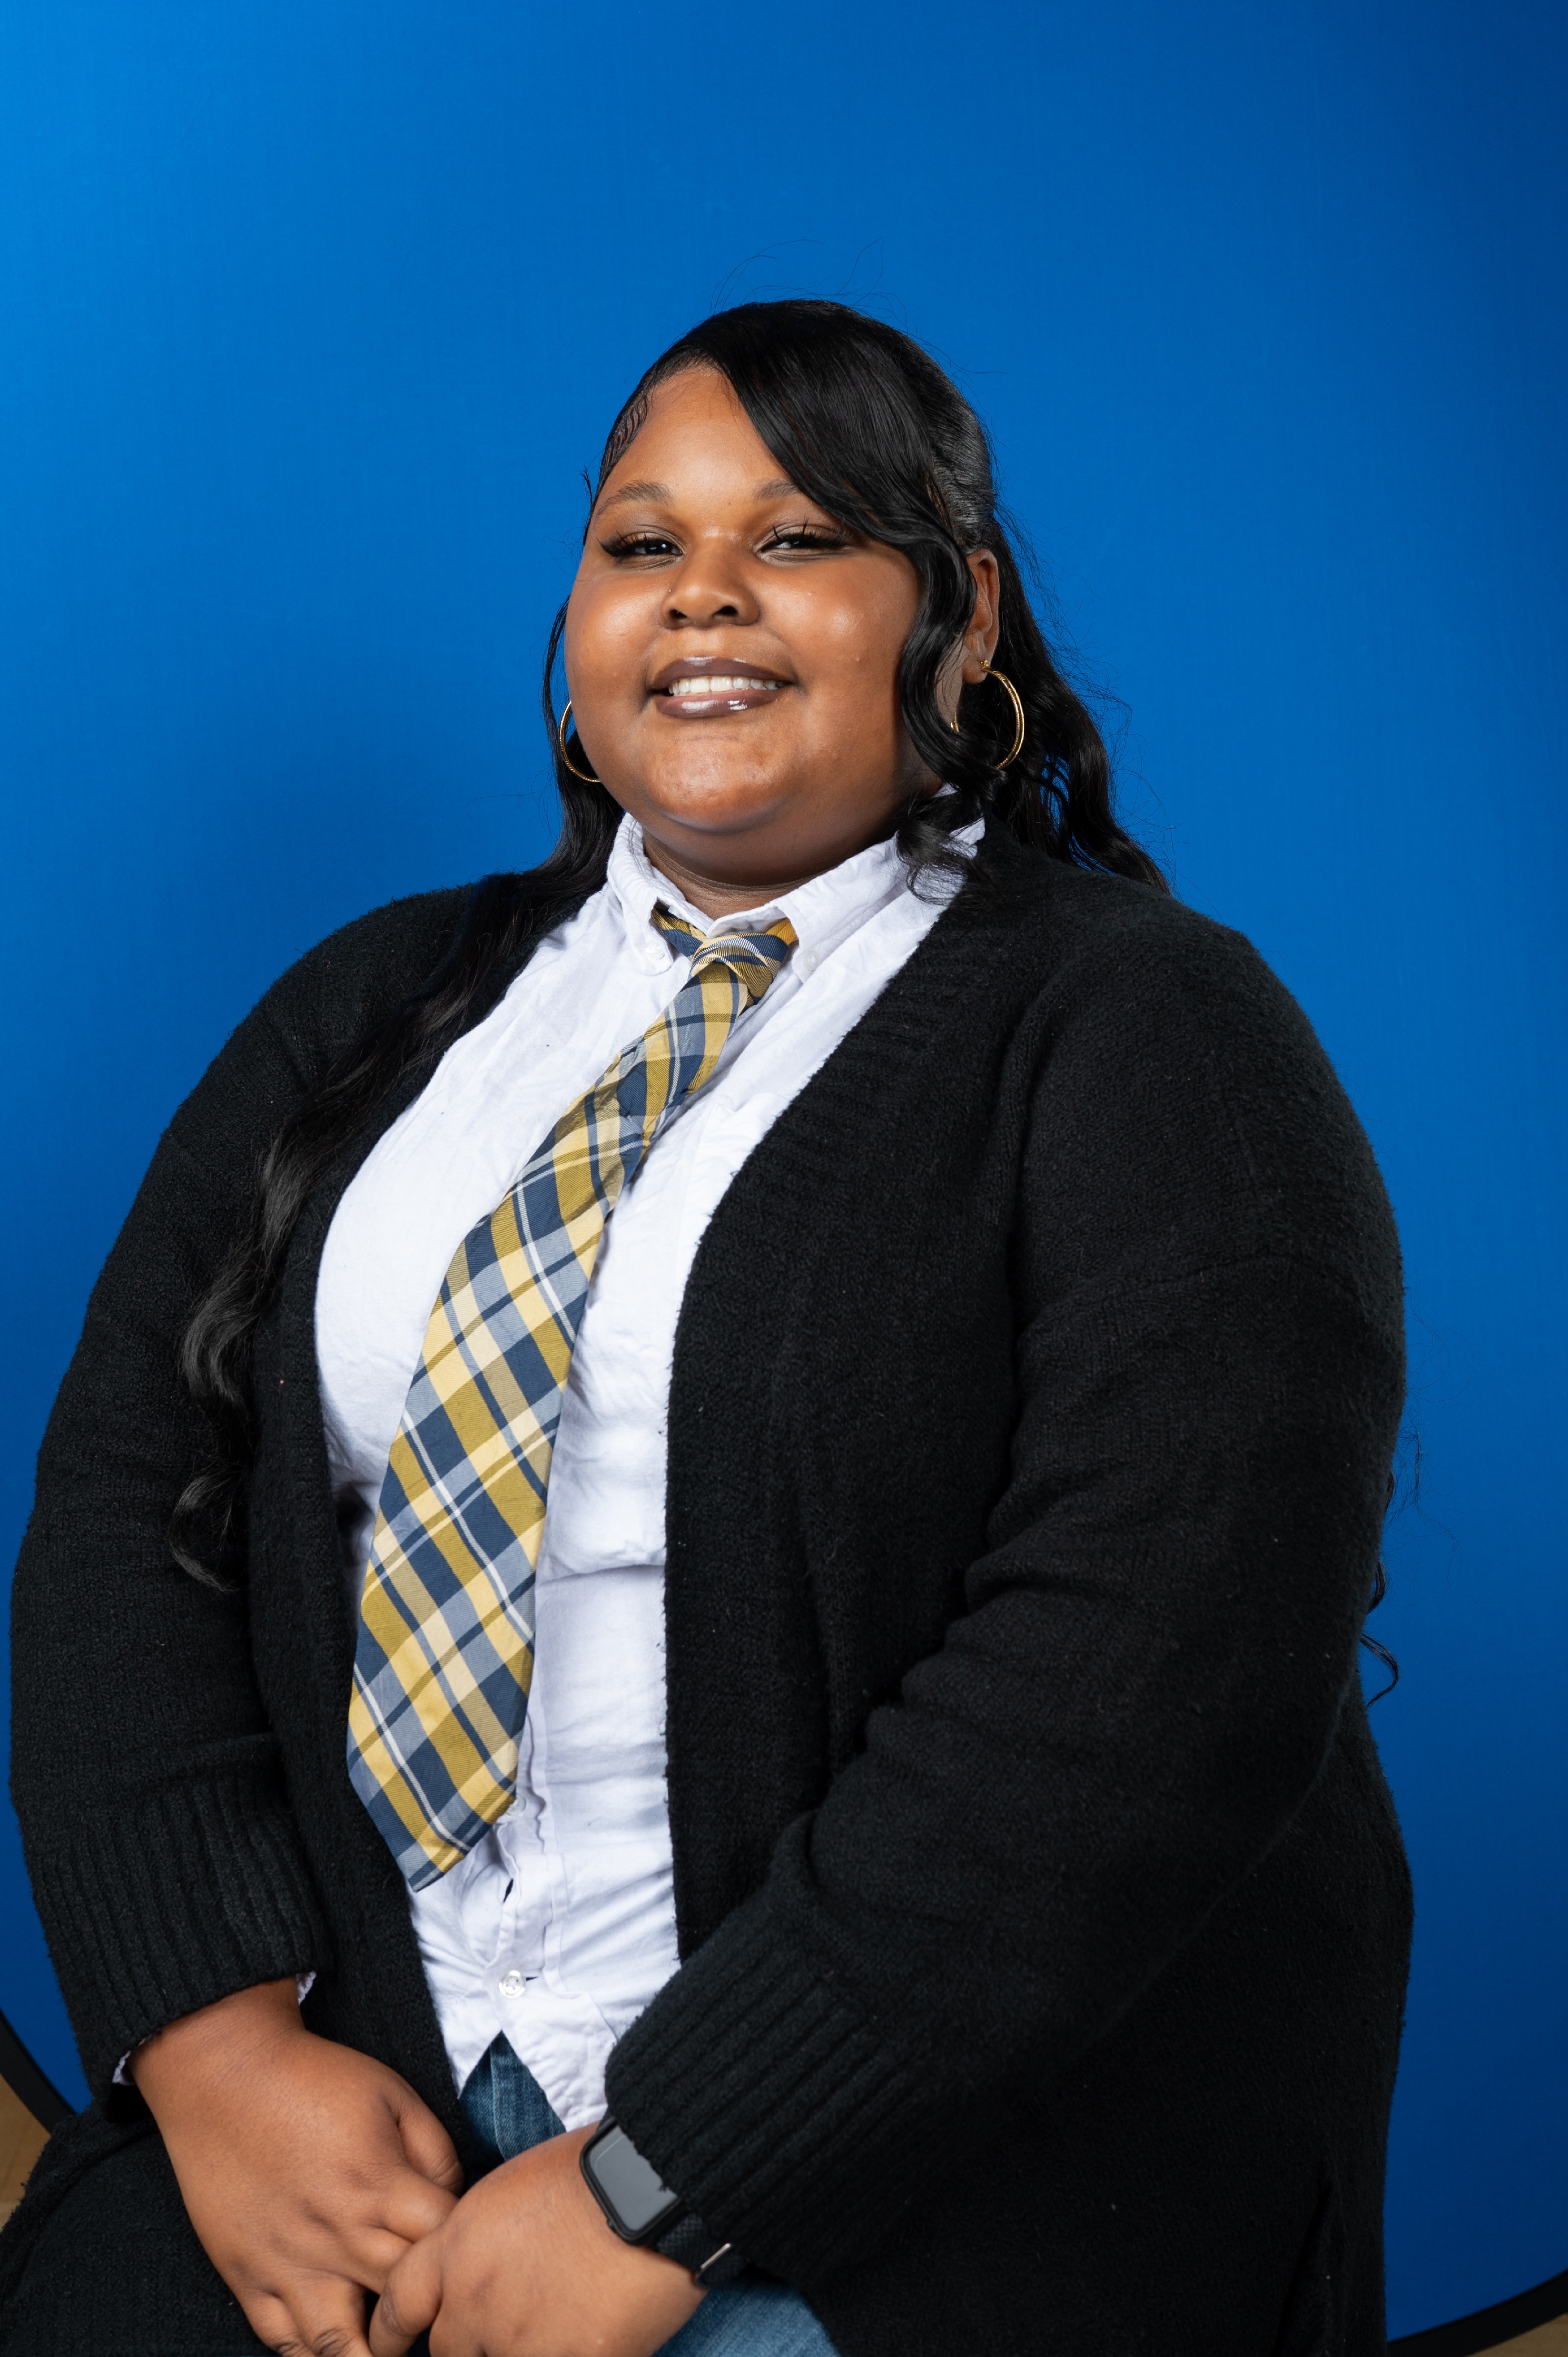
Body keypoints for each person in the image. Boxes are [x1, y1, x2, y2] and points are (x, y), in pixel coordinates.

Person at [1, 299, 1410, 2357]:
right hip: (371, 2077)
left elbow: (1151, 1669)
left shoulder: (1153, 1034)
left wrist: (675, 2171)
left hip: (923, 2148)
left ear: (962, 616)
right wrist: (218, 2051)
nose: (706, 594)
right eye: (644, 543)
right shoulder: (379, 1005)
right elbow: (130, 1505)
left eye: (803, 536)